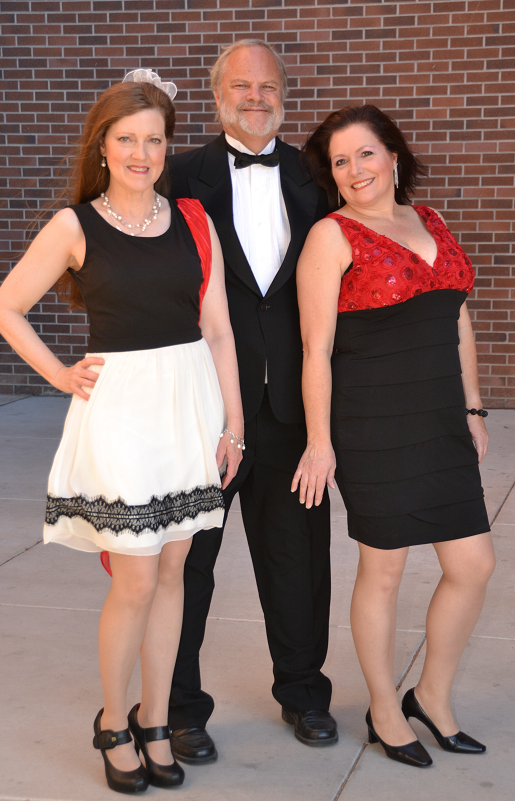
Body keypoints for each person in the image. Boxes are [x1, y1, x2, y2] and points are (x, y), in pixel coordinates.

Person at [0, 69, 244, 793]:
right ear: (102, 146)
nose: (141, 153)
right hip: (125, 414)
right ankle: (111, 722)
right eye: (127, 139)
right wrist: (58, 373)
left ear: (167, 147)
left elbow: (219, 331)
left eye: (154, 140)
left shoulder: (193, 220)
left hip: (190, 406)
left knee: (174, 572)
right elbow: (7, 307)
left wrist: (234, 426)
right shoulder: (75, 225)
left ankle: (155, 719)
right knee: (134, 577)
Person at [291, 103, 496, 768]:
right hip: (372, 424)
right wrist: (319, 442)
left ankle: (430, 697)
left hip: (440, 420)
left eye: (365, 153)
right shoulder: (330, 236)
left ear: (393, 156)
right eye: (339, 161)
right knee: (383, 570)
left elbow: (456, 319)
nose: (354, 169)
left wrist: (472, 408)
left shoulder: (430, 219)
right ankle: (384, 708)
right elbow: (315, 350)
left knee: (472, 565)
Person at [166, 39, 336, 762]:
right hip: (203, 411)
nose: (255, 97)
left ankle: (303, 692)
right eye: (241, 85)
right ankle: (177, 708)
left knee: (298, 561)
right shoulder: (176, 175)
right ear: (217, 95)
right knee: (185, 566)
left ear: (284, 95)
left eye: (268, 86)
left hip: (294, 409)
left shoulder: (318, 175)